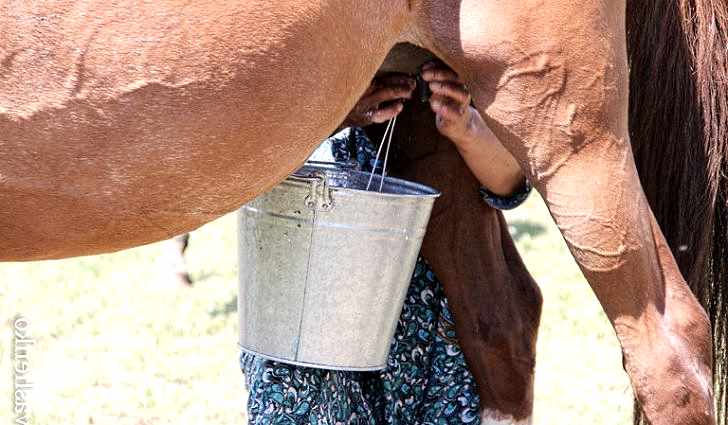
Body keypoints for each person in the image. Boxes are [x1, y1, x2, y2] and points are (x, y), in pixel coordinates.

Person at [239, 61, 531, 424]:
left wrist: (467, 128)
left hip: (431, 328)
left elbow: (509, 186)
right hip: (311, 317)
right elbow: (239, 160)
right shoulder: (278, 54)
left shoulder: (437, 52)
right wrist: (336, 116)